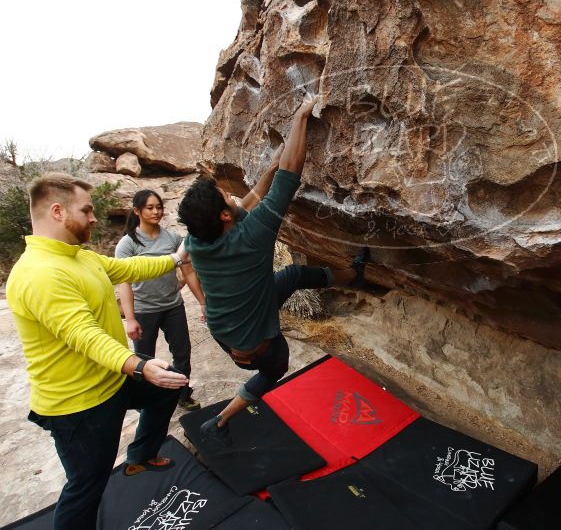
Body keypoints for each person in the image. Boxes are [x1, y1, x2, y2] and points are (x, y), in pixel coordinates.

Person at [177, 94, 368, 445]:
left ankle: (353, 275)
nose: (231, 197)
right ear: (223, 216)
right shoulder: (252, 235)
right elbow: (289, 177)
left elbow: (254, 193)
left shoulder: (198, 242)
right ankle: (221, 419)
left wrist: (273, 161)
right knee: (272, 371)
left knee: (293, 276)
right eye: (225, 197)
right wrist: (301, 118)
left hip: (229, 327)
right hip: (258, 345)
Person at [6, 174, 190, 529]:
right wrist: (140, 365)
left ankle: (141, 455)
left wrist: (175, 258)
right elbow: (84, 335)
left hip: (111, 378)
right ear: (58, 211)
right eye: (87, 210)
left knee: (171, 385)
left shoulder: (80, 258)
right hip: (79, 405)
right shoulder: (39, 273)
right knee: (87, 487)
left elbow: (129, 267)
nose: (94, 217)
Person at [116, 189, 206, 410]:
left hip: (173, 306)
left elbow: (189, 272)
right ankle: (145, 400)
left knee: (182, 354)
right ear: (137, 211)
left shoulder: (173, 238)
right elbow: (124, 283)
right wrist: (130, 318)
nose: (156, 211)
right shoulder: (127, 244)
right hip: (144, 311)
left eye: (159, 207)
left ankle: (183, 395)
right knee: (144, 360)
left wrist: (203, 302)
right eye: (150, 207)